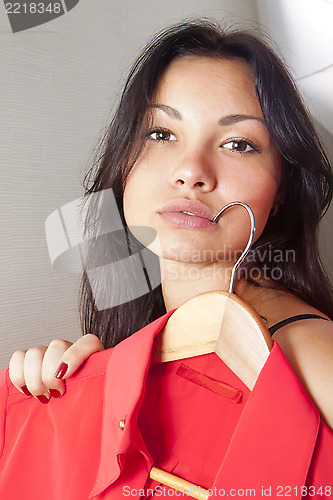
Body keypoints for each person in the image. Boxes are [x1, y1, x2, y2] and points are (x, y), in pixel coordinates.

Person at [1, 19, 333, 498]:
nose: (191, 172)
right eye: (161, 134)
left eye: (238, 144)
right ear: (124, 163)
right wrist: (57, 403)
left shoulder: (312, 356)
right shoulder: (137, 337)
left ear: (279, 191)